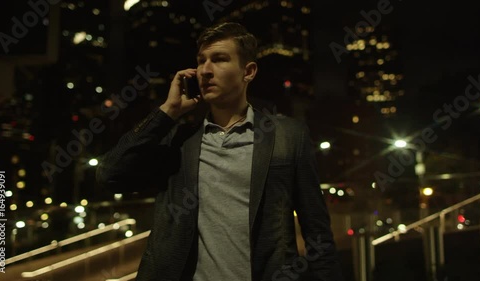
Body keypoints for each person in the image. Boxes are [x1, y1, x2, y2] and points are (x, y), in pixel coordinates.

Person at [97, 22, 343, 281]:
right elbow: (109, 174)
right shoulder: (179, 139)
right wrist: (166, 112)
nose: (205, 70)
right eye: (201, 61)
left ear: (248, 71)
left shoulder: (287, 135)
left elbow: (318, 233)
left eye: (219, 59)